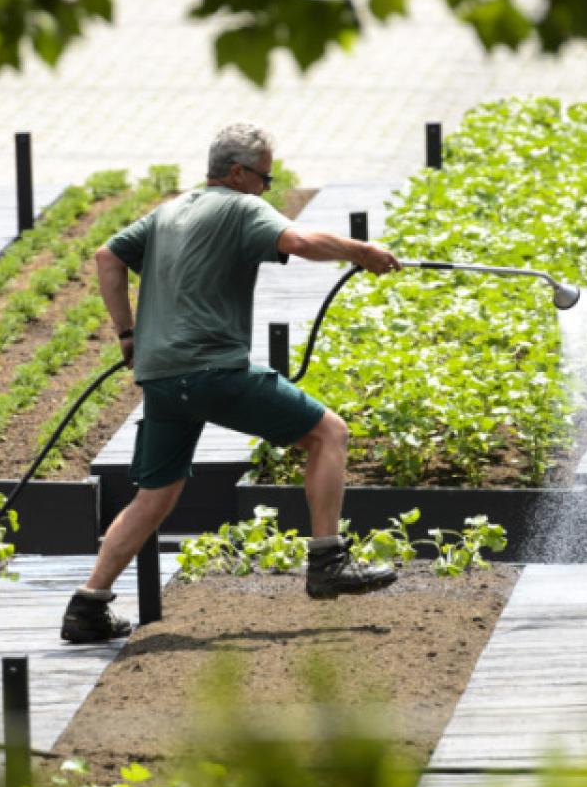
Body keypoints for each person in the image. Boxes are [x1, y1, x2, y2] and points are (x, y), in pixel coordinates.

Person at [61, 122, 403, 645]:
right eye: (264, 178)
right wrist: (361, 251)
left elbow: (107, 258)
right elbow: (299, 239)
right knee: (328, 433)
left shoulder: (169, 210)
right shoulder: (240, 206)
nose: (266, 188)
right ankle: (329, 559)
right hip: (213, 371)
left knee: (155, 493)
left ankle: (87, 607)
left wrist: (128, 336)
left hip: (162, 377)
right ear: (238, 173)